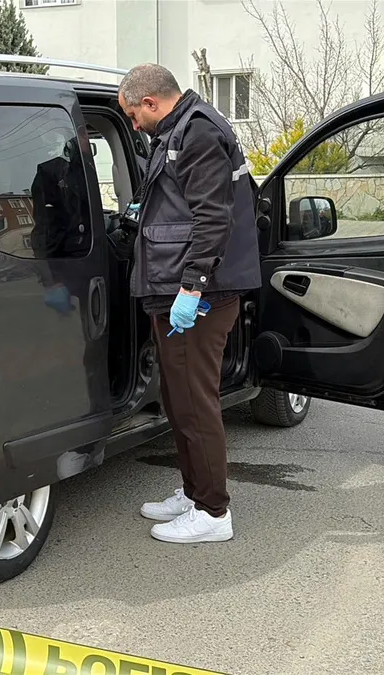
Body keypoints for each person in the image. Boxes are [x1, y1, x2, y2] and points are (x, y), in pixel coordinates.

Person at [116, 64, 261, 544]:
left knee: (196, 403)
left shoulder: (197, 132)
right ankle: (193, 490)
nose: (134, 125)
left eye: (133, 115)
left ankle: (214, 513)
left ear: (152, 102)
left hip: (199, 296)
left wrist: (192, 286)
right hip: (175, 289)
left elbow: (212, 218)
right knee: (178, 401)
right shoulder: (180, 129)